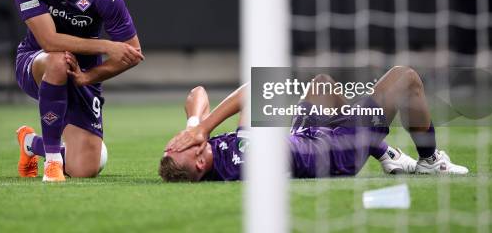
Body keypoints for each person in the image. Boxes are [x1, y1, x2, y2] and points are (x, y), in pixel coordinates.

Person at [160, 66, 469, 182]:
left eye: (172, 145)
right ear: (200, 163)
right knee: (406, 79)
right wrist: (202, 128)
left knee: (321, 84)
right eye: (180, 149)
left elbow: (196, 93)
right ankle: (430, 161)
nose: (177, 143)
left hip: (305, 136)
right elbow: (254, 90)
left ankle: (383, 151)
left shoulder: (205, 153)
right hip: (337, 152)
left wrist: (194, 124)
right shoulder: (243, 156)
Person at [12, 0, 144, 182]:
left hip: (82, 71)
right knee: (58, 59)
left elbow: (134, 52)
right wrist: (106, 46)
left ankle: (30, 143)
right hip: (35, 60)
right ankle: (52, 163)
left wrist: (88, 76)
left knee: (85, 169)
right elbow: (49, 41)